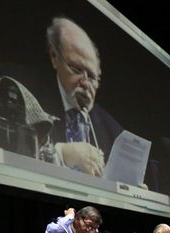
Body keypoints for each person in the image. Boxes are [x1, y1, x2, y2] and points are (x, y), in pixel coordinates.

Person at [44, 17, 123, 177]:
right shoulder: (25, 95)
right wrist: (60, 154)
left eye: (92, 77)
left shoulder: (113, 131)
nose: (86, 83)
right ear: (54, 57)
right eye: (77, 69)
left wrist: (131, 190)